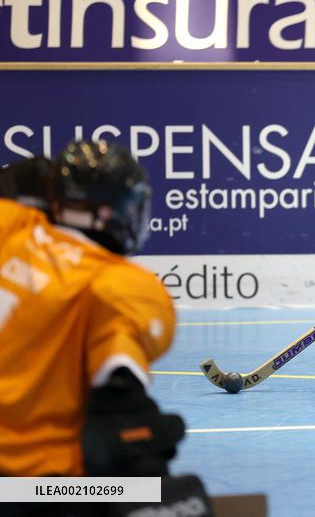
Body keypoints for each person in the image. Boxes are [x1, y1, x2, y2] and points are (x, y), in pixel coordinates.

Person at [0, 142, 188, 486]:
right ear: (107, 212)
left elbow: (12, 184)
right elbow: (118, 388)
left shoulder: (11, 229)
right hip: (32, 484)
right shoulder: (117, 284)